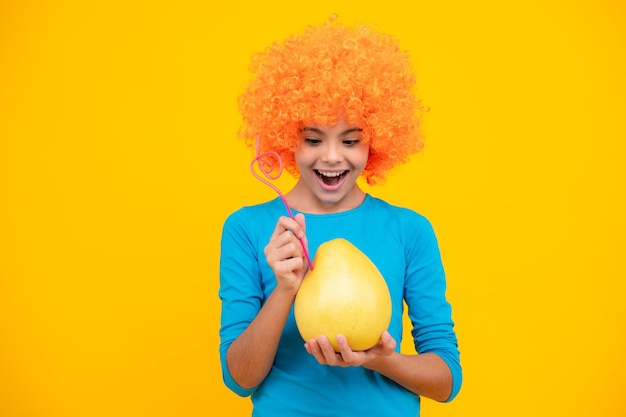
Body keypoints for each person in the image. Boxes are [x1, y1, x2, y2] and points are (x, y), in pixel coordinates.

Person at [218, 16, 462, 416]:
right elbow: (239, 380)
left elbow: (446, 381)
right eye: (313, 139)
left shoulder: (409, 230)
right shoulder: (248, 229)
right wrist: (283, 288)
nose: (332, 157)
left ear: (377, 143)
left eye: (351, 141)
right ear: (286, 138)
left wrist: (377, 358)